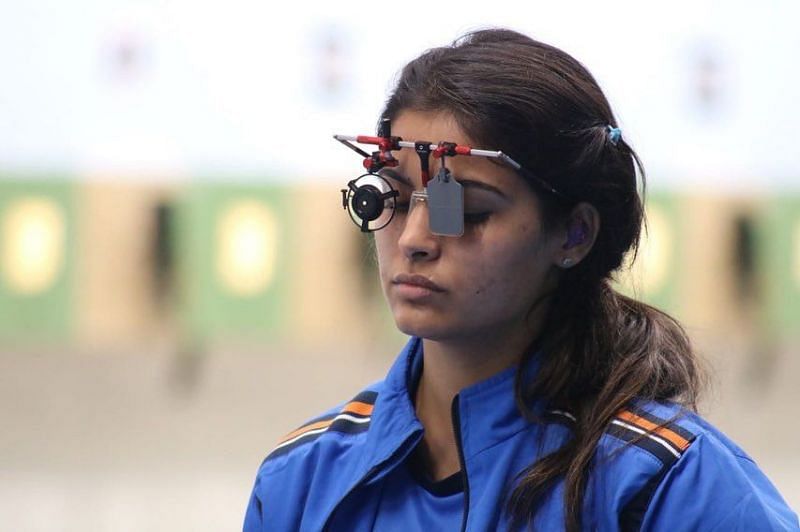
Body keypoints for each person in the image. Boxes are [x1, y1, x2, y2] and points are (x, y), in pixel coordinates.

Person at [243, 28, 799, 531]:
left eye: (461, 210)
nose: (413, 238)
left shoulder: (665, 488)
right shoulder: (303, 480)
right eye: (389, 196)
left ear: (574, 234)